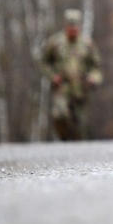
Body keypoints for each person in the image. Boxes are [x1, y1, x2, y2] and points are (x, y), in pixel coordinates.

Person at [41, 9, 103, 140]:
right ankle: (63, 139)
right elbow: (44, 62)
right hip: (62, 87)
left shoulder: (87, 44)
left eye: (75, 26)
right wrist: (52, 76)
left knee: (78, 125)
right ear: (66, 25)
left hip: (80, 89)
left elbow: (96, 67)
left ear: (79, 26)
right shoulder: (55, 42)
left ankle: (74, 151)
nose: (73, 29)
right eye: (70, 25)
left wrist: (94, 78)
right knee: (60, 115)